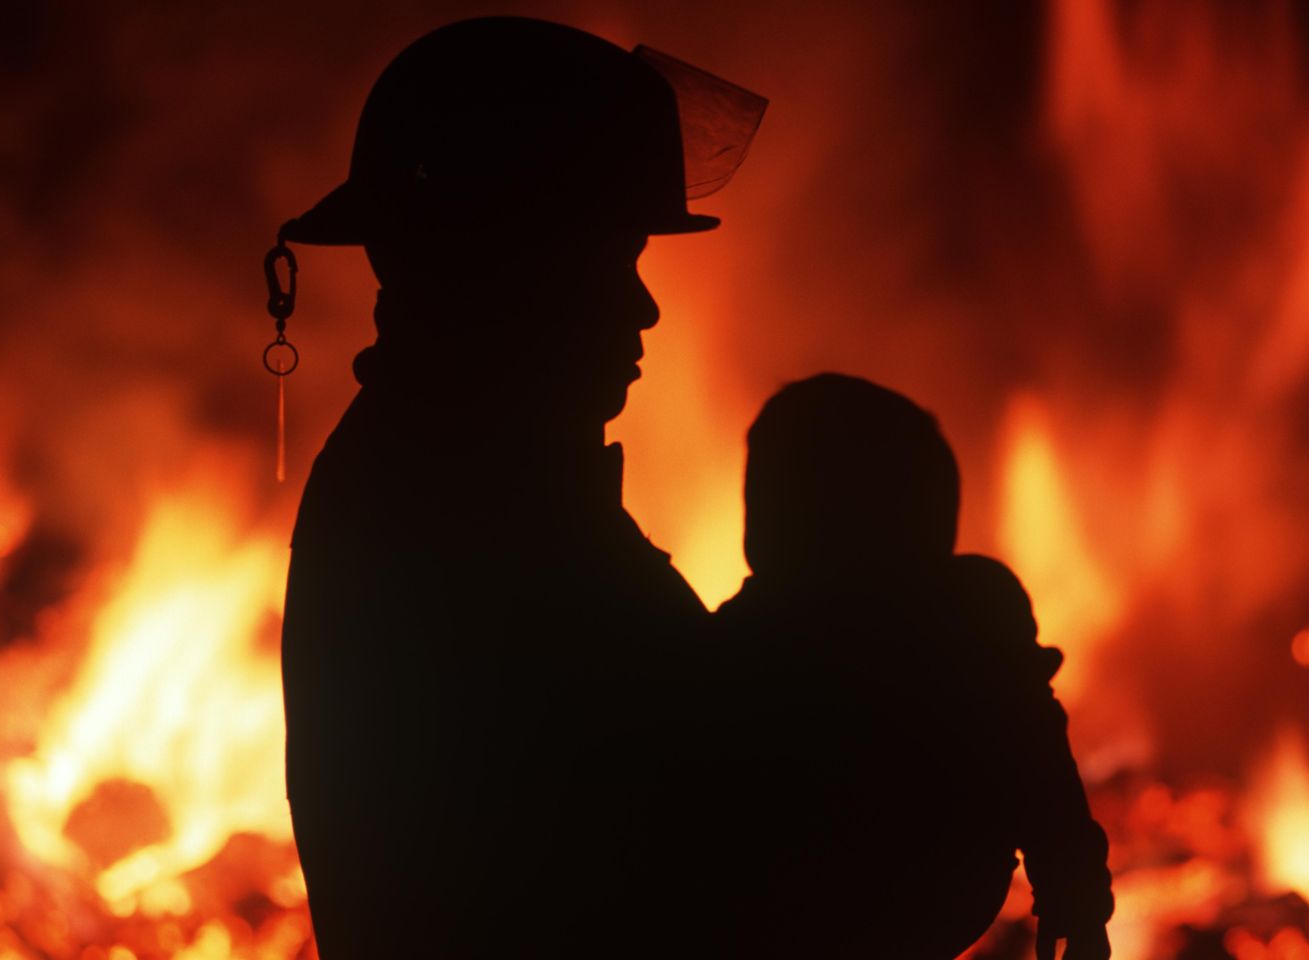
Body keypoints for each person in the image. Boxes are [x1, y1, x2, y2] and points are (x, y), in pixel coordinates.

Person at [275, 18, 763, 958]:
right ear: (505, 264)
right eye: (611, 260)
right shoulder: (473, 519)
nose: (645, 305)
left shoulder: (458, 475)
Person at [711, 373, 1115, 960]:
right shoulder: (973, 610)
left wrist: (1075, 890)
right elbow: (1041, 761)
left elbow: (1035, 754)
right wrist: (1076, 894)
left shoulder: (967, 615)